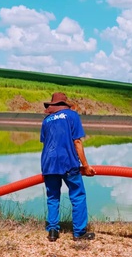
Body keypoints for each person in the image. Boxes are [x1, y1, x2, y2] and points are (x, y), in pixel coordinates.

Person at [40, 92, 96, 242]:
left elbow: (46, 143)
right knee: (77, 196)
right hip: (67, 162)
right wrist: (85, 165)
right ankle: (79, 233)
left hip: (48, 163)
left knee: (52, 197)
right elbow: (77, 142)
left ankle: (53, 231)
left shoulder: (46, 120)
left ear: (52, 106)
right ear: (64, 104)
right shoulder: (72, 116)